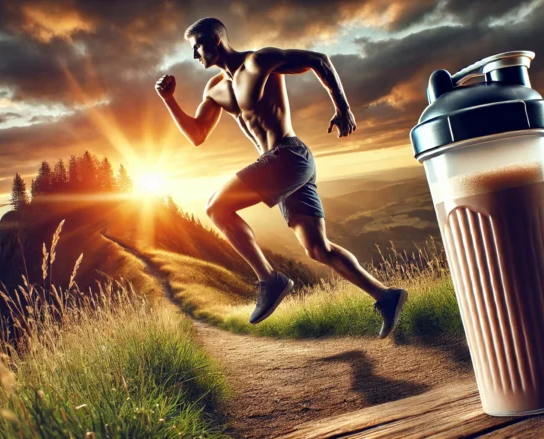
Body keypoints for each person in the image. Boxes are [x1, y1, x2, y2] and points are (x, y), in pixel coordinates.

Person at [155, 17, 407, 338]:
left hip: (288, 155)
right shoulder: (215, 89)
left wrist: (343, 108)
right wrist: (169, 100)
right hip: (283, 165)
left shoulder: (258, 61)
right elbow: (197, 134)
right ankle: (386, 296)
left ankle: (269, 279)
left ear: (216, 40)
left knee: (216, 208)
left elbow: (319, 60)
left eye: (197, 47)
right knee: (318, 249)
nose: (194, 55)